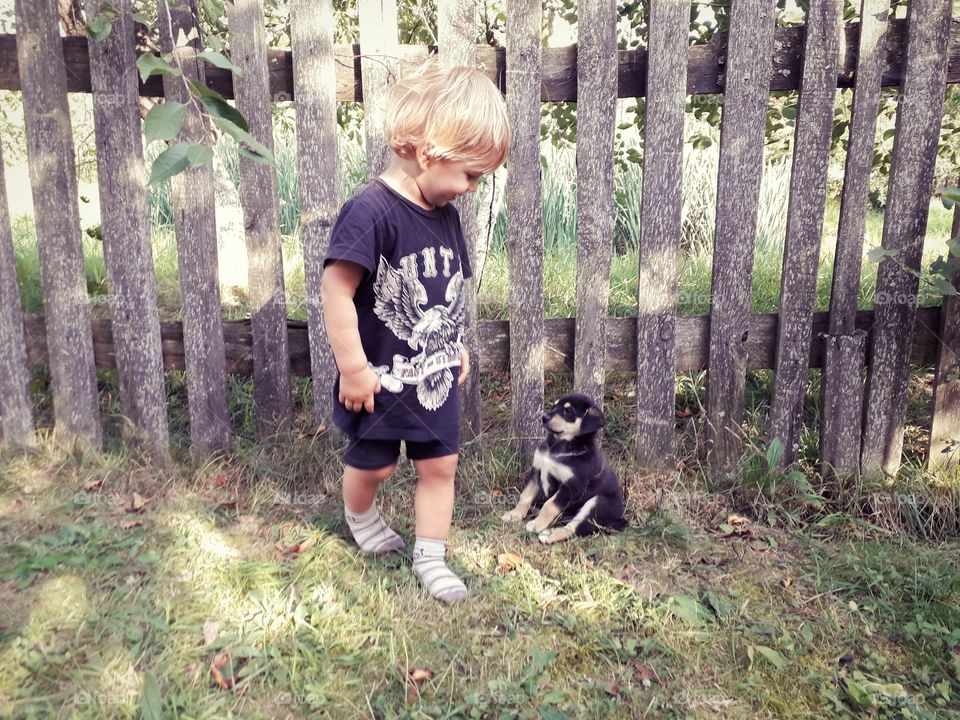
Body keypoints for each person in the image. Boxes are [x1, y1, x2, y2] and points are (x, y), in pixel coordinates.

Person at [320, 57, 510, 604]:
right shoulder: (370, 212)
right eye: (471, 174)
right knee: (374, 466)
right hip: (379, 378)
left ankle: (431, 557)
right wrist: (353, 369)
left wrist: (457, 342)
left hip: (434, 373)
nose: (473, 188)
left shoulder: (445, 210)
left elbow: (447, 288)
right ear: (430, 155)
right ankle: (360, 515)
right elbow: (335, 290)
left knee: (440, 463)